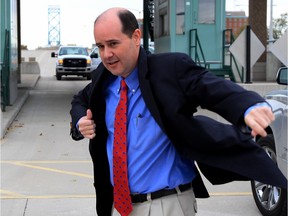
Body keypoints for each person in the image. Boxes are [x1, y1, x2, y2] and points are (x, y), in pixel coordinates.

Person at [70, 7, 287, 216]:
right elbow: (80, 99)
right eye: (100, 46)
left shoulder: (168, 69)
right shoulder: (105, 78)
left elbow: (208, 86)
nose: (106, 54)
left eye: (113, 44)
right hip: (118, 205)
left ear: (136, 37)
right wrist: (80, 120)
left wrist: (247, 106)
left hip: (165, 205)